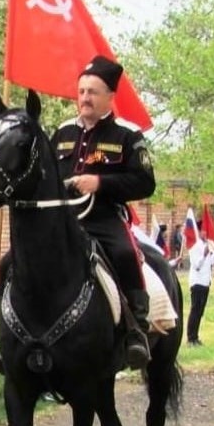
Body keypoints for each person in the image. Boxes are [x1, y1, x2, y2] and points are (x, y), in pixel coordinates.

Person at [52, 54, 156, 369]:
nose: (85, 98)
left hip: (104, 217)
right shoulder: (62, 132)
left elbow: (145, 182)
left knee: (125, 253)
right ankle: (15, 337)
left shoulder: (127, 135)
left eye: (93, 92)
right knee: (15, 259)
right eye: (82, 91)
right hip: (62, 221)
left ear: (110, 97)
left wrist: (100, 182)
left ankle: (136, 328)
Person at [186, 221, 214, 346]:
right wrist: (204, 254)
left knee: (200, 311)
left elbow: (212, 261)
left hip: (205, 281)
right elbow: (197, 265)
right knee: (195, 310)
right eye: (203, 230)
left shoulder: (207, 244)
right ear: (198, 231)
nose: (206, 233)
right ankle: (191, 337)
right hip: (197, 282)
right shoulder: (194, 245)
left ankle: (196, 336)